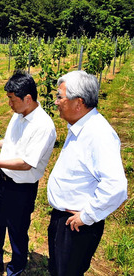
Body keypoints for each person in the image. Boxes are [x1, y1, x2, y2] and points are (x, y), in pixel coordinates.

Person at [0, 71, 57, 276]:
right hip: (4, 181)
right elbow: (15, 143)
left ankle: (15, 269)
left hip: (22, 188)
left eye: (12, 99)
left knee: (17, 231)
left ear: (27, 99)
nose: (9, 104)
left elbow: (27, 163)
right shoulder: (19, 115)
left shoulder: (43, 126)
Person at [47, 70, 128, 276]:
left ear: (78, 102)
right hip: (64, 221)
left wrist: (87, 215)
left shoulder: (99, 134)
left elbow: (116, 186)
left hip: (76, 226)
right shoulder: (79, 126)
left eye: (60, 97)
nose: (56, 102)